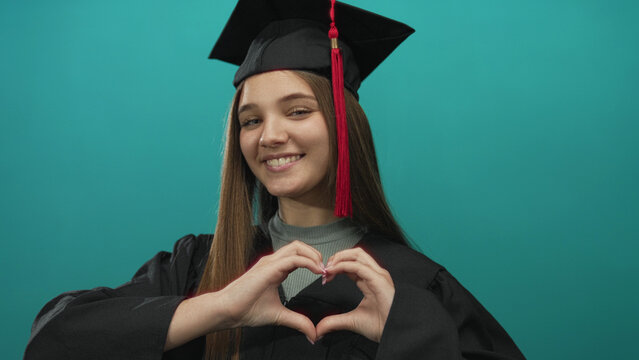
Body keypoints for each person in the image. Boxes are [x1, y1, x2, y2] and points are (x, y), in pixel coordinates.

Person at [24, 0, 526, 359]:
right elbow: (53, 341)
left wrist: (409, 335)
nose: (270, 136)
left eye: (298, 110)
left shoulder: (413, 286)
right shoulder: (198, 266)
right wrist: (217, 308)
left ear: (344, 126)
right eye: (251, 120)